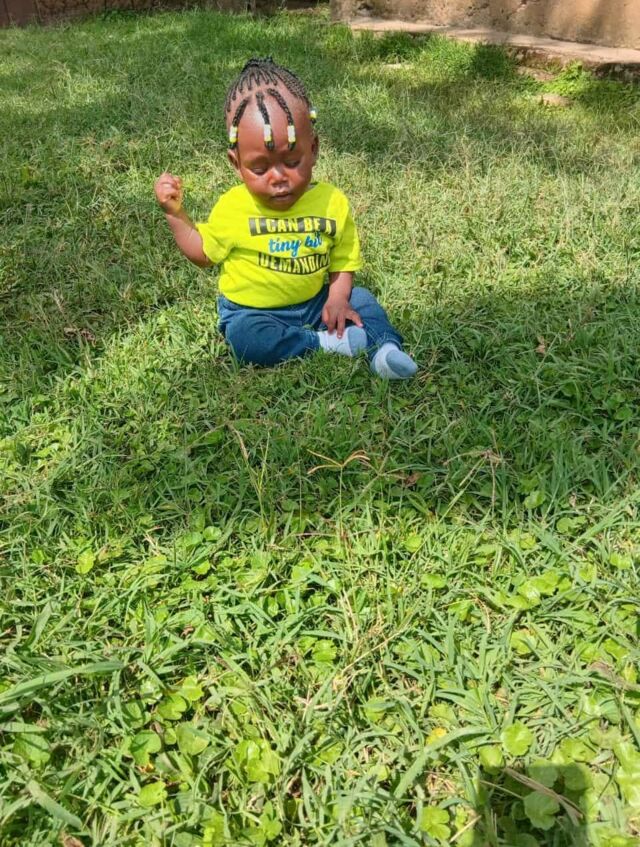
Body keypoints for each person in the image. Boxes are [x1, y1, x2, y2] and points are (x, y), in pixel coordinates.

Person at [154, 57, 417, 379]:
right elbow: (202, 254)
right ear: (236, 163)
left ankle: (386, 350)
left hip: (316, 302)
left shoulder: (331, 203)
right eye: (260, 168)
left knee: (362, 300)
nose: (278, 177)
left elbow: (343, 260)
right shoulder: (233, 207)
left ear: (314, 149)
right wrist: (175, 214)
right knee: (245, 338)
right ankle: (326, 343)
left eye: (292, 162)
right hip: (253, 312)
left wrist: (337, 298)